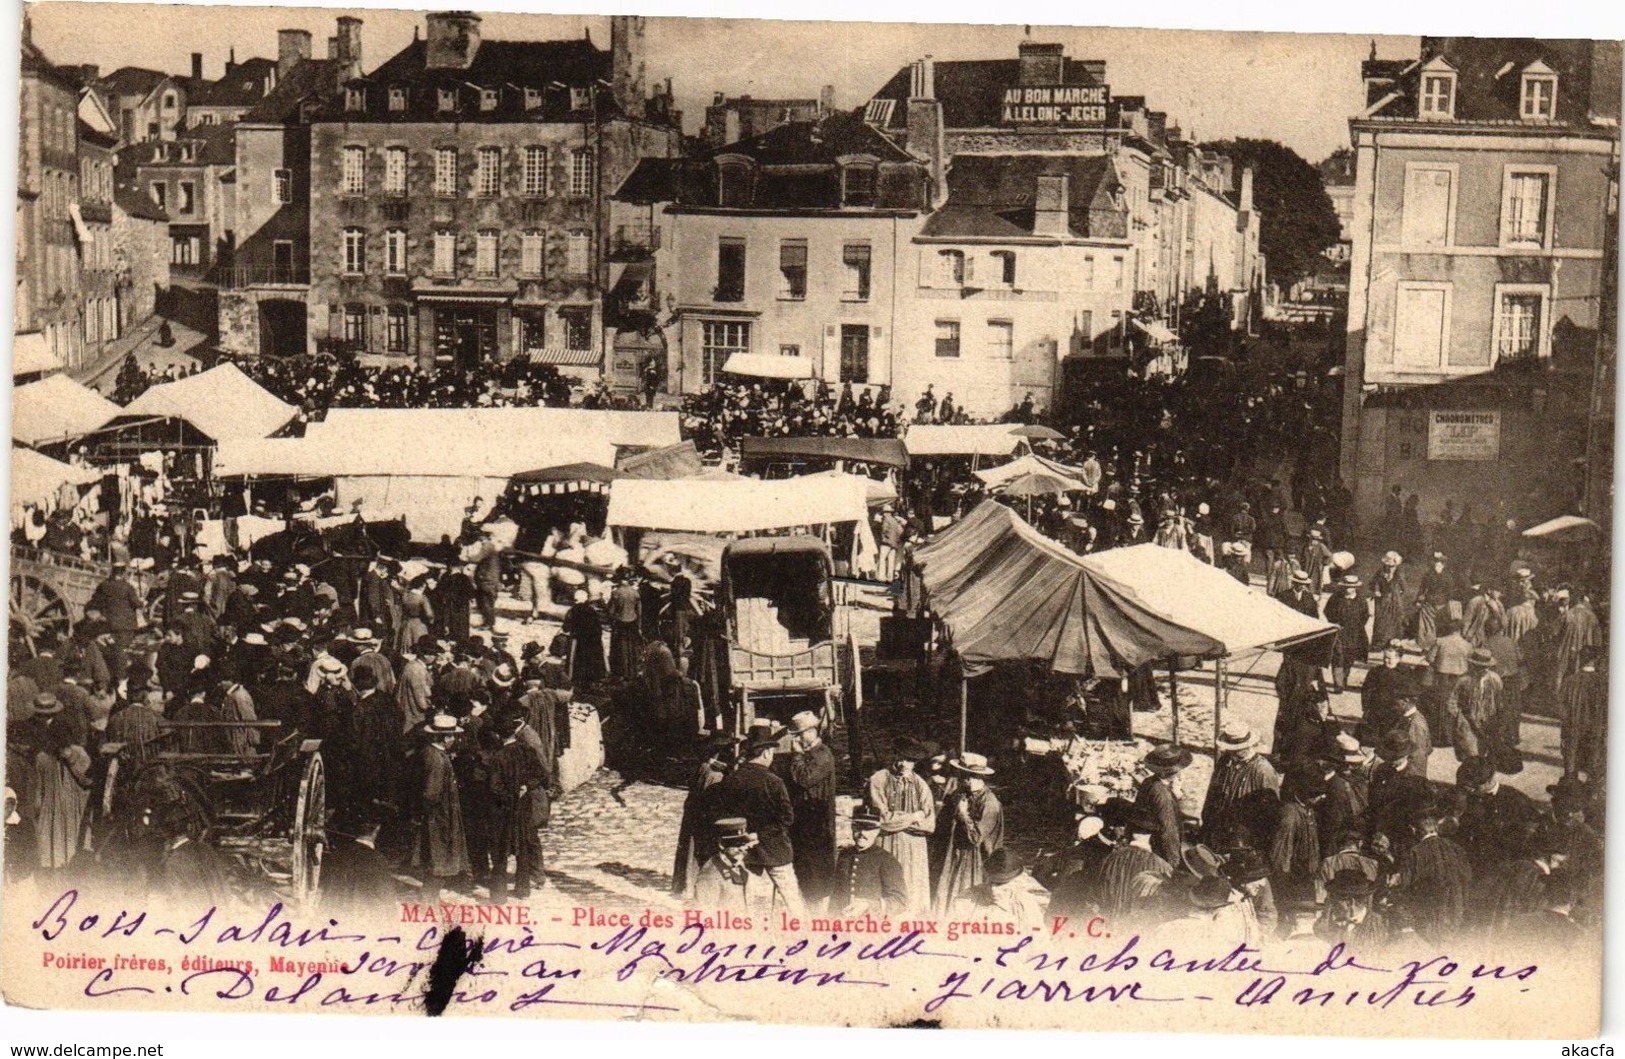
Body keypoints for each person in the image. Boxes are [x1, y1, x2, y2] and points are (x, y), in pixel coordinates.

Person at [711, 725, 802, 914]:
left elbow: (722, 815)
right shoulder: (774, 782)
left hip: (746, 853)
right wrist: (760, 834)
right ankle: (809, 937)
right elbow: (787, 818)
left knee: (756, 904)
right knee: (793, 901)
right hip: (776, 851)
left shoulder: (730, 780)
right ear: (767, 752)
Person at [866, 737, 937, 914]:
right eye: (903, 758)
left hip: (914, 847)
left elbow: (929, 825)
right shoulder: (878, 780)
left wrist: (898, 820)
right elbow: (882, 819)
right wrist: (913, 817)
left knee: (911, 888)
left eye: (911, 761)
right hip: (886, 842)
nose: (906, 764)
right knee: (886, 883)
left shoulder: (921, 785)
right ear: (895, 756)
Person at [490, 712, 551, 898]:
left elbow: (495, 787)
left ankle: (499, 895)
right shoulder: (526, 750)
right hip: (524, 807)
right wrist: (526, 786)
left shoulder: (498, 757)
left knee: (500, 851)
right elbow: (542, 772)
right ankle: (523, 889)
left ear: (498, 735)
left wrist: (510, 794)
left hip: (505, 809)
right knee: (523, 848)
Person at [935, 752, 1004, 915]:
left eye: (963, 776)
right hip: (955, 853)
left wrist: (963, 814)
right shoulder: (962, 794)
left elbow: (975, 838)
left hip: (976, 858)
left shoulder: (990, 803)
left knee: (967, 896)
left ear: (975, 778)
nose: (960, 780)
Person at [779, 711, 836, 907]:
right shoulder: (809, 754)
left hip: (817, 824)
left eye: (800, 734)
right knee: (804, 868)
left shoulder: (823, 755)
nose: (797, 739)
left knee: (816, 871)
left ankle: (817, 911)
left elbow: (803, 779)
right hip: (805, 821)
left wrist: (796, 755)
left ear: (812, 731)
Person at [1394, 804, 1473, 943]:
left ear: (1414, 829)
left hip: (1428, 919)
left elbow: (1405, 887)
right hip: (1457, 914)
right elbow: (1467, 879)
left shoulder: (1415, 852)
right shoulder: (1457, 849)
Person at [673, 733, 738, 897]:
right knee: (702, 853)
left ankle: (687, 884)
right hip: (704, 817)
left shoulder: (705, 766)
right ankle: (696, 886)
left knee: (691, 850)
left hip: (694, 814)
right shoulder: (714, 774)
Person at [415, 714, 471, 892]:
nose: (454, 739)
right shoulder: (437, 759)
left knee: (436, 862)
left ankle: (430, 901)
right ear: (445, 737)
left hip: (438, 816)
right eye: (452, 735)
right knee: (437, 863)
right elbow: (432, 793)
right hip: (439, 818)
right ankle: (429, 905)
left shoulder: (431, 753)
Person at [1201, 723, 1280, 850]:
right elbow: (1212, 794)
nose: (1229, 752)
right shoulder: (1225, 762)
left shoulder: (1263, 771)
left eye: (1234, 749)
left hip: (1244, 840)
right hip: (1220, 832)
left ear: (1246, 747)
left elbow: (1270, 814)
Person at [829, 808, 909, 916]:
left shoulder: (887, 860)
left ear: (877, 831)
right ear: (852, 828)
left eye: (868, 829)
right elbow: (836, 895)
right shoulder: (845, 855)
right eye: (858, 827)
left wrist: (869, 905)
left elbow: (900, 902)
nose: (862, 833)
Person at [949, 848, 1048, 931]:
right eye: (994, 883)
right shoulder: (1025, 902)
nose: (994, 890)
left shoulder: (966, 897)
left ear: (986, 872)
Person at [692, 818, 763, 913]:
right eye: (737, 844)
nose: (743, 848)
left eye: (745, 844)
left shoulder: (736, 864)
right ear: (722, 845)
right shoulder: (710, 875)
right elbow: (703, 913)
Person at [1137, 745, 1191, 867]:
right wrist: (1174, 863)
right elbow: (1168, 830)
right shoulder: (1163, 795)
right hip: (1159, 850)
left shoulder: (1149, 781)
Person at [1447, 648, 1502, 764]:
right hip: (1468, 721)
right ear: (1473, 665)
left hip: (1488, 720)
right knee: (1470, 753)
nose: (1482, 670)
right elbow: (1452, 700)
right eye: (1479, 667)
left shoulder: (1495, 679)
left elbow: (1499, 699)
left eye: (1485, 667)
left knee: (1486, 752)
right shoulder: (1464, 680)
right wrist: (1459, 717)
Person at [1314, 868, 1391, 947]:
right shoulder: (1328, 922)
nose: (1331, 903)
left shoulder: (1380, 926)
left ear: (1350, 902)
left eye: (1335, 899)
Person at [1323, 574, 1370, 692]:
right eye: (1345, 587)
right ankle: (1338, 684)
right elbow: (1327, 611)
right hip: (1339, 632)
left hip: (1354, 633)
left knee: (1349, 657)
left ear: (1355, 588)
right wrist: (1334, 623)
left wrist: (1358, 626)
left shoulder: (1361, 600)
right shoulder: (1335, 598)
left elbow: (1365, 615)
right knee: (1338, 656)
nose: (1347, 589)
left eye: (1350, 587)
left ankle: (1344, 679)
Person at [1369, 552, 1410, 652]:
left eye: (1392, 565)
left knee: (1395, 622)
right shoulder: (1380, 572)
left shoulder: (1399, 573)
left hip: (1395, 602)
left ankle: (1392, 643)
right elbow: (1373, 583)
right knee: (1381, 622)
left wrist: (1397, 596)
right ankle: (1379, 644)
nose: (1390, 567)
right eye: (1388, 565)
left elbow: (1404, 589)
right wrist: (1376, 590)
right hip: (1382, 601)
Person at [607, 571, 642, 680]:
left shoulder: (616, 593)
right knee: (632, 648)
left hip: (620, 622)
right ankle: (632, 672)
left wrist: (611, 619)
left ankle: (621, 673)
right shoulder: (635, 593)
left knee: (620, 649)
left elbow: (611, 611)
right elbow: (639, 612)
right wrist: (639, 626)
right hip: (632, 623)